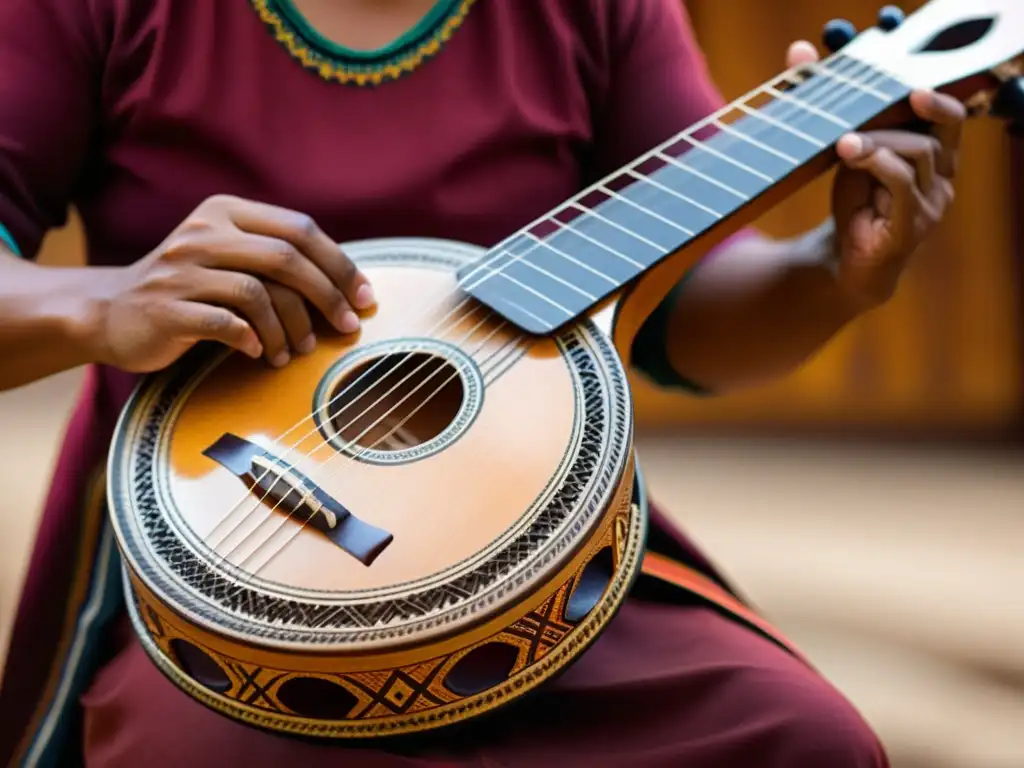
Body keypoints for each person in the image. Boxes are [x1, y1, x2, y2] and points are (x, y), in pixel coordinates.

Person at [0, 0, 964, 766]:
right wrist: (107, 298)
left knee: (803, 740)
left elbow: (680, 319)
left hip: (535, 568)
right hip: (223, 577)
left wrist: (836, 269)